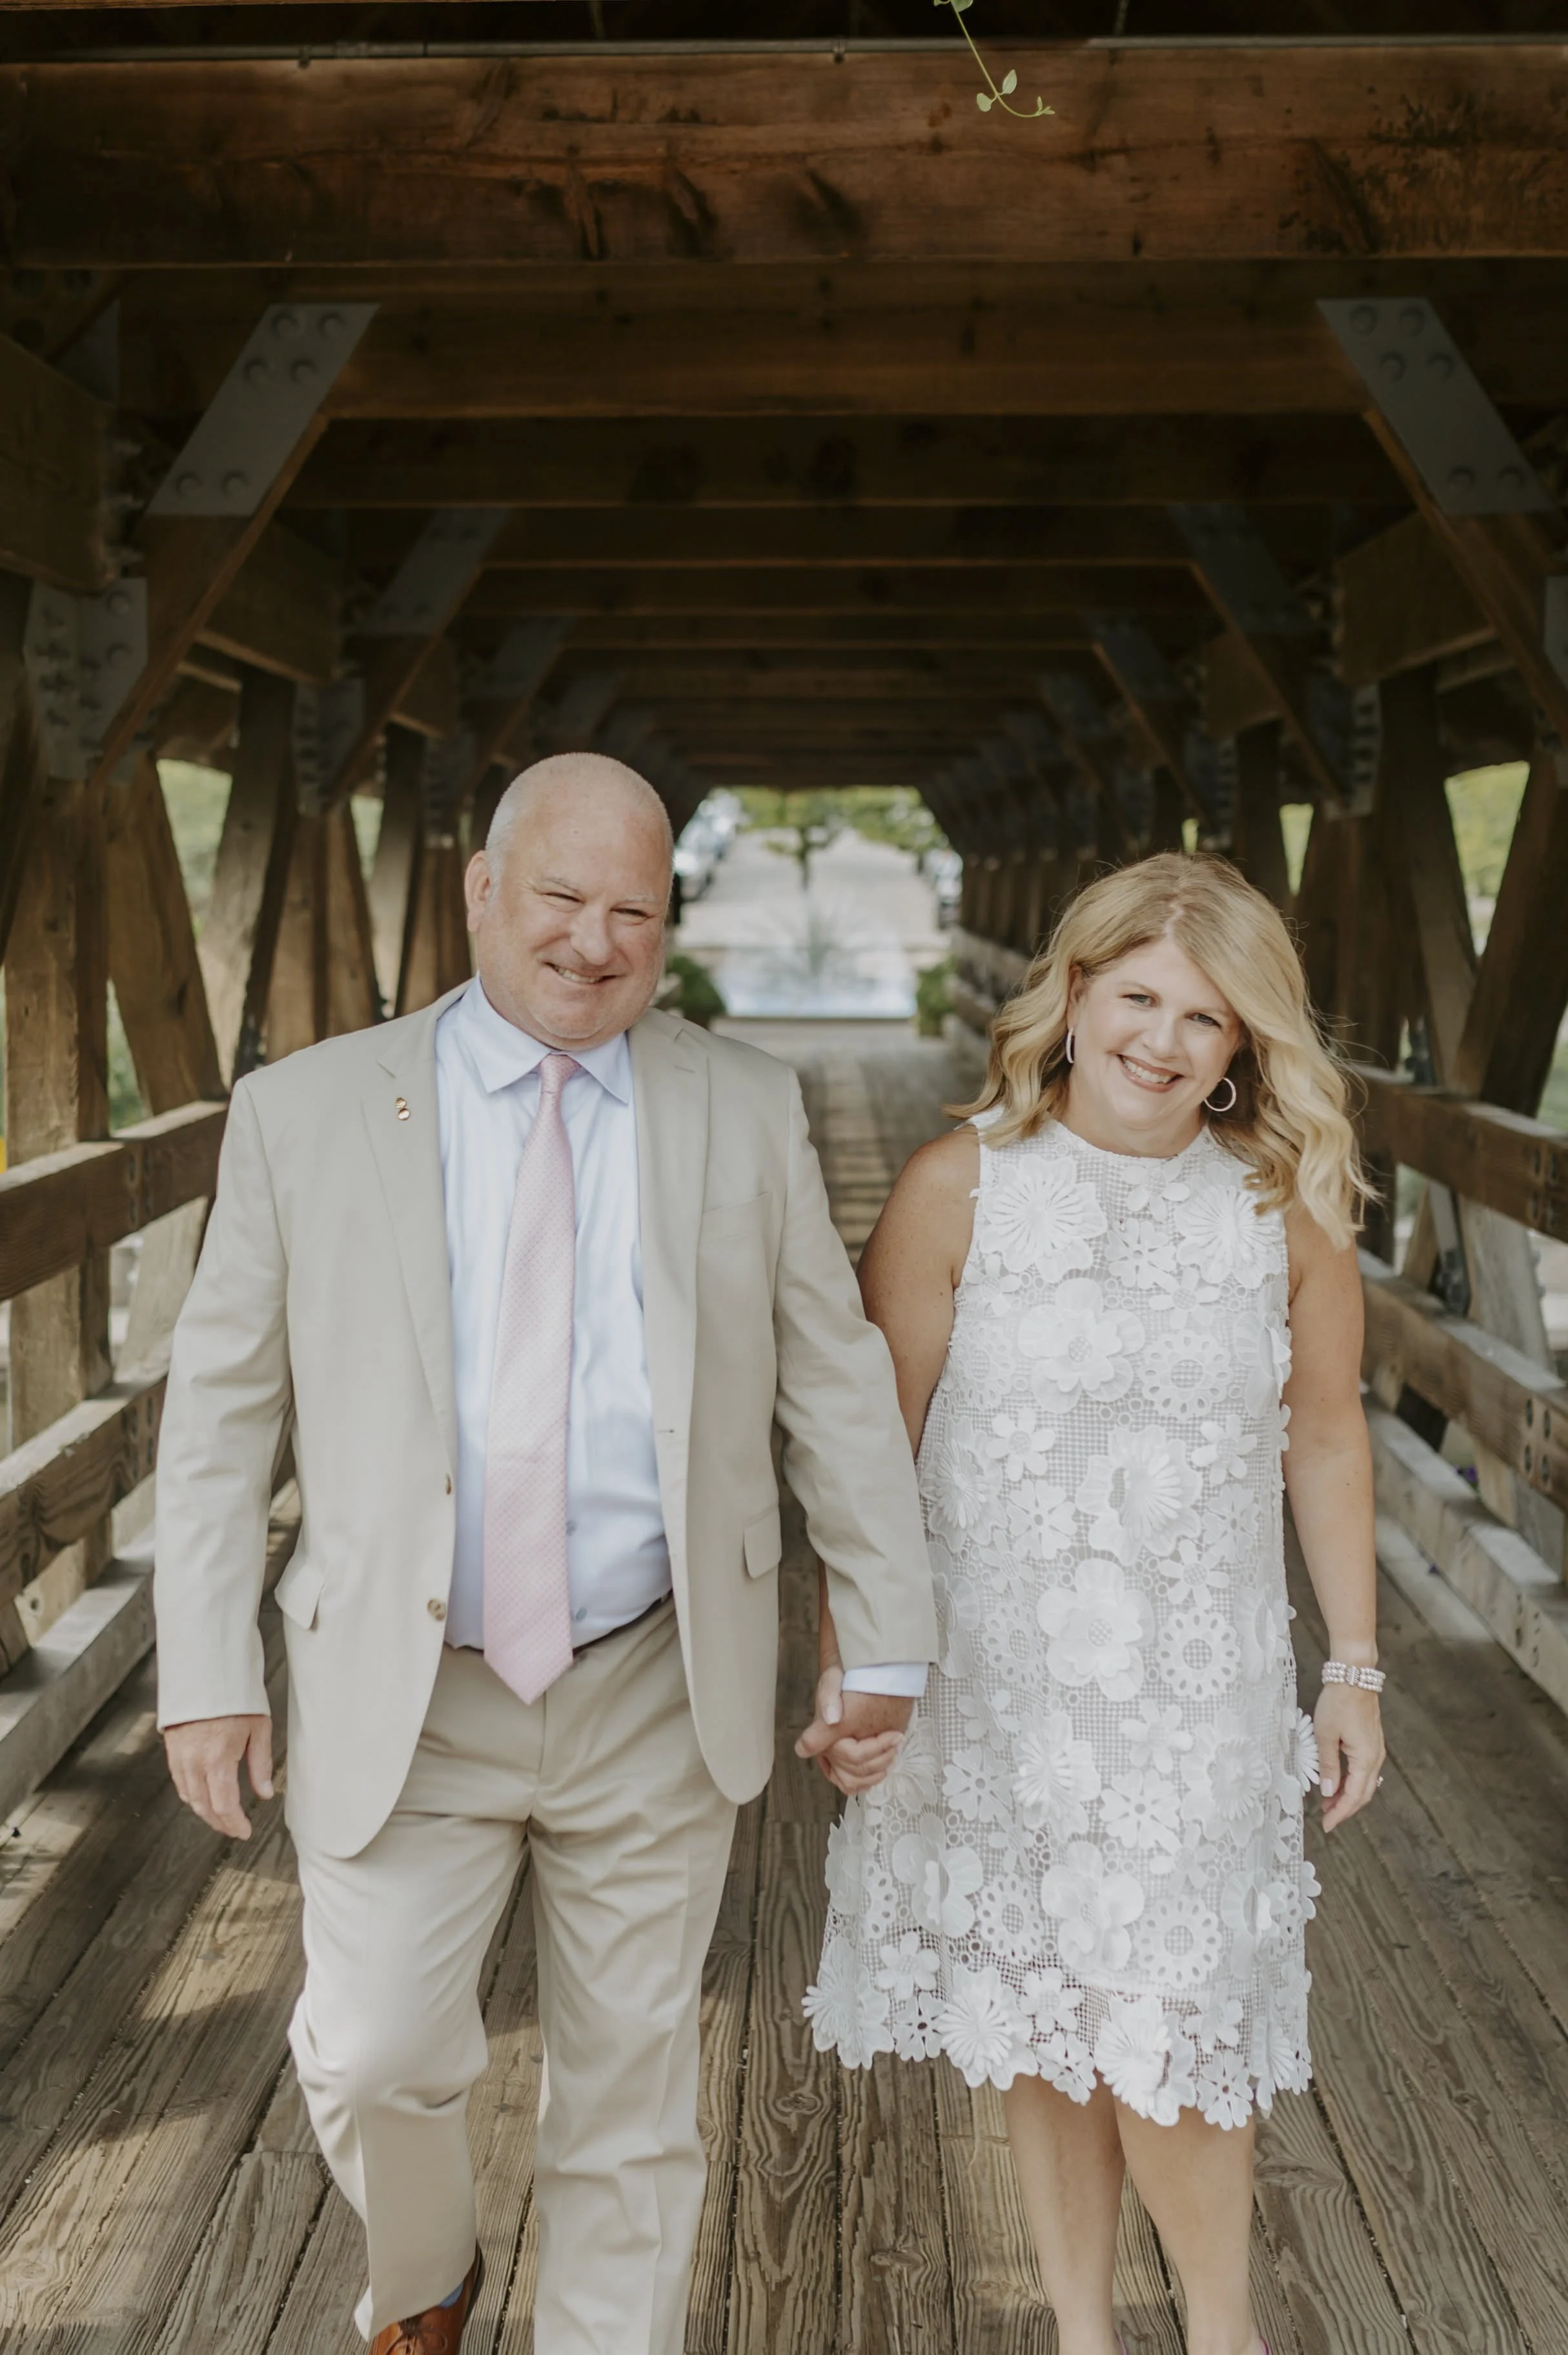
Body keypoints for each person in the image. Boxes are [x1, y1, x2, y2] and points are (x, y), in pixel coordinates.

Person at [153, 754, 937, 2355]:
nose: (593, 941)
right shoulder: (304, 1110)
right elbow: (223, 1413)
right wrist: (206, 1668)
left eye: (633, 909)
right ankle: (424, 2282)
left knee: (631, 2095)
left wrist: (885, 1625)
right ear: (479, 892)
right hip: (406, 1677)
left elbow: (833, 1378)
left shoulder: (742, 1102)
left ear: (668, 921)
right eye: (561, 898)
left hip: (654, 1666)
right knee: (373, 2054)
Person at [806, 853, 1385, 2355]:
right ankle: (1079, 2331)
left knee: (1176, 2025)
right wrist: (851, 1671)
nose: (1166, 1040)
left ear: (1248, 1042)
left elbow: (1323, 1434)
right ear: (1070, 995)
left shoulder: (1280, 1212)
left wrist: (1357, 1667)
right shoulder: (957, 1189)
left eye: (1209, 1016)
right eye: (1137, 996)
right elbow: (872, 1450)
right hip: (1002, 1688)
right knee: (1046, 2027)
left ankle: (1219, 2333)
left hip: (1196, 1694)